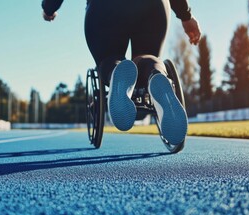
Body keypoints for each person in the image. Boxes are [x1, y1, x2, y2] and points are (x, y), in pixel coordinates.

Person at [42, 0, 201, 145]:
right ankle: (156, 74)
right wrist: (186, 16)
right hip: (154, 6)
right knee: (147, 57)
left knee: (109, 58)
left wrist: (49, 8)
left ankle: (116, 73)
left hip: (104, 7)